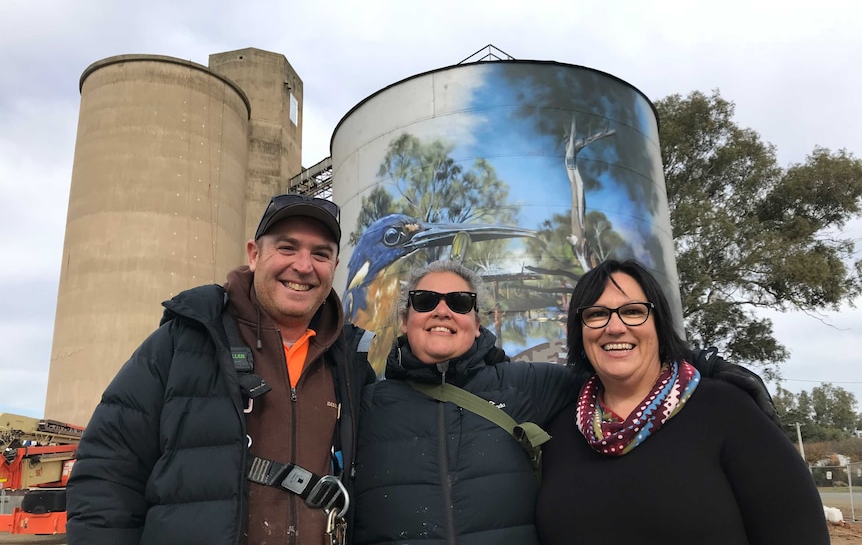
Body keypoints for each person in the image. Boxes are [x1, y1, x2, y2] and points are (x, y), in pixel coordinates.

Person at [349, 260, 780, 545]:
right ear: (405, 320)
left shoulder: (528, 385)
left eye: (460, 302)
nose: (442, 311)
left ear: (476, 325)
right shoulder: (366, 403)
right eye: (426, 301)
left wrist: (711, 368)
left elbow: (619, 359)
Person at [66, 194, 376, 545]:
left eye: (320, 254)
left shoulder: (349, 363)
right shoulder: (184, 343)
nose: (304, 266)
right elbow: (106, 473)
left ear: (334, 267)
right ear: (254, 255)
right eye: (287, 248)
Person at [535, 259, 829, 544]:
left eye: (634, 311)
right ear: (580, 330)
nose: (614, 327)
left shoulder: (727, 411)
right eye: (597, 314)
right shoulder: (560, 432)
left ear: (660, 325)